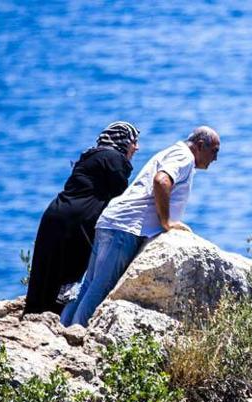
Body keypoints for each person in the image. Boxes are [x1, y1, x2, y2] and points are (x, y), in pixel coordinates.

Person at [60, 126, 221, 327]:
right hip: (125, 228)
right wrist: (166, 222)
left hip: (113, 222)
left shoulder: (175, 152)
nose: (215, 158)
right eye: (214, 151)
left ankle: (63, 330)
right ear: (199, 145)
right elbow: (161, 180)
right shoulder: (184, 157)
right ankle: (76, 336)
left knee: (88, 286)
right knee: (100, 288)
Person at [23, 121, 140, 315]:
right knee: (72, 272)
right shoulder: (114, 159)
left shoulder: (93, 155)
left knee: (46, 270)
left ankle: (35, 314)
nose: (136, 147)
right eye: (133, 141)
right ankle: (59, 318)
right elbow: (121, 201)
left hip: (56, 214)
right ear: (122, 140)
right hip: (77, 222)